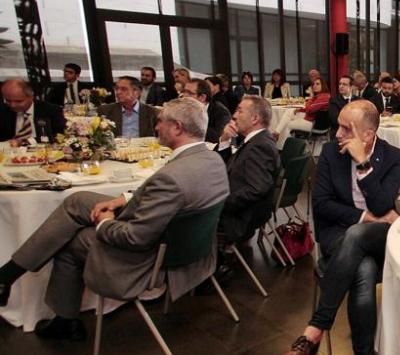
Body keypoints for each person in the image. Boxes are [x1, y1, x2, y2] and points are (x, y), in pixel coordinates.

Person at [0, 99, 230, 336]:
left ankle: (65, 320)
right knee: (76, 201)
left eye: (160, 122)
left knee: (71, 240)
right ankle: (8, 274)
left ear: (177, 128)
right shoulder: (211, 159)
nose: (156, 127)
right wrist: (124, 198)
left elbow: (135, 238)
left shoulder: (171, 177)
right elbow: (173, 194)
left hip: (149, 258)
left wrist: (105, 223)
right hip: (191, 247)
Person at [273, 101, 400, 355]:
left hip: (375, 239)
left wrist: (363, 164)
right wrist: (364, 217)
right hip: (337, 237)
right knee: (362, 268)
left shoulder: (393, 157)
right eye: (339, 126)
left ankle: (315, 330)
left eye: (347, 129)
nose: (338, 133)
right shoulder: (331, 154)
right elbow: (320, 205)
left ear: (369, 134)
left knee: (360, 238)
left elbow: (383, 202)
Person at [215, 95, 280, 260]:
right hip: (242, 211)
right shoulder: (256, 141)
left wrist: (219, 204)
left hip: (240, 218)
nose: (234, 115)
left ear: (255, 118)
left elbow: (256, 189)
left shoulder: (259, 146)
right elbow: (223, 166)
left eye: (239, 111)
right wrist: (224, 140)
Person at [1, 79, 66, 144]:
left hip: (43, 150)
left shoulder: (51, 110)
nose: (13, 105)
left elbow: (59, 136)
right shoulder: (3, 111)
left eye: (18, 101)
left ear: (31, 97)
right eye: (8, 101)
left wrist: (27, 141)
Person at [181, 78, 231, 143]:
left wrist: (194, 119)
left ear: (202, 97)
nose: (184, 96)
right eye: (184, 91)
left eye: (189, 93)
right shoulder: (183, 110)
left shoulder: (221, 112)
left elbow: (219, 138)